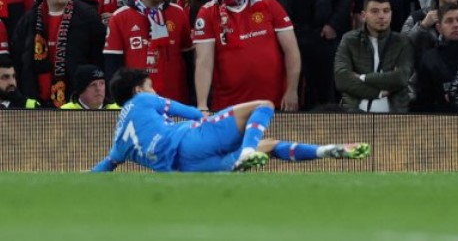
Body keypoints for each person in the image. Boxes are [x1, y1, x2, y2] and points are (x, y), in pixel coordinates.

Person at [92, 68, 370, 172]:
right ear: (139, 89)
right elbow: (187, 111)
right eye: (150, 86)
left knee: (270, 146)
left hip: (187, 170)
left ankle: (326, 150)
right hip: (192, 139)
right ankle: (247, 150)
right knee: (263, 105)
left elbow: (105, 167)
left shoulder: (119, 140)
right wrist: (208, 117)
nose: (153, 90)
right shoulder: (142, 99)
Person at [192, 0, 300, 112]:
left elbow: (292, 51)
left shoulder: (268, 4)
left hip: (274, 104)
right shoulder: (207, 13)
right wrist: (202, 105)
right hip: (229, 108)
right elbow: (204, 63)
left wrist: (292, 90)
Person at [11, 0, 106, 108]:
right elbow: (18, 58)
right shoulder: (29, 19)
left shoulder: (88, 17)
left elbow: (99, 58)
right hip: (36, 99)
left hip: (76, 99)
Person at [104, 0, 192, 103]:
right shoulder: (120, 16)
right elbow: (113, 65)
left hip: (176, 98)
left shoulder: (178, 13)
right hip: (137, 100)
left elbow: (189, 59)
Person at [334, 0, 413, 113]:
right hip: (354, 114)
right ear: (363, 15)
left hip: (394, 116)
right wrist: (379, 93)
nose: (381, 16)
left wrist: (362, 77)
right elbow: (342, 79)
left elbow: (401, 78)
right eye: (375, 11)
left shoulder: (402, 42)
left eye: (386, 11)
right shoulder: (350, 40)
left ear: (391, 14)